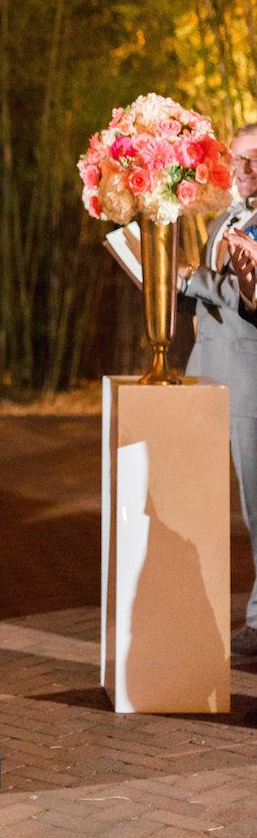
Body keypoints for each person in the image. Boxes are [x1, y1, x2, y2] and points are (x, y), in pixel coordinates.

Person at [179, 122, 257, 658]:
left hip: (250, 380)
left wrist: (192, 278)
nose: (245, 168)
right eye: (239, 158)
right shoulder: (221, 218)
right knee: (201, 504)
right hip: (205, 371)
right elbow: (210, 299)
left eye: (255, 159)